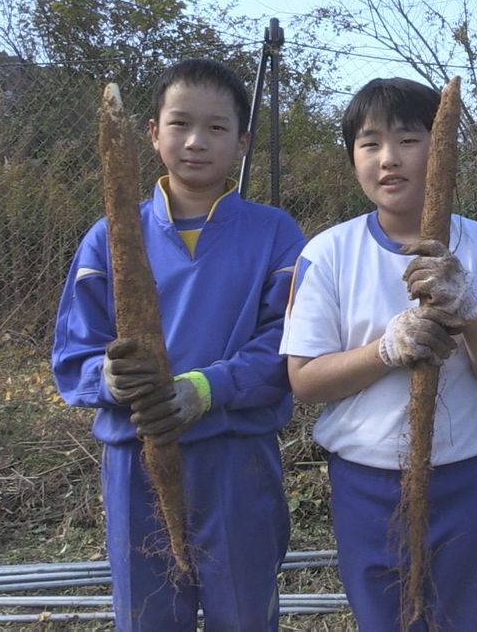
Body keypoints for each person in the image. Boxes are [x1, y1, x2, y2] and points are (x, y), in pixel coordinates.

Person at [52, 58, 306, 630]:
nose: (196, 142)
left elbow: (287, 346)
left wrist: (206, 387)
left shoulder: (275, 234)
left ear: (242, 143)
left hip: (234, 459)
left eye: (216, 128)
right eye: (180, 124)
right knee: (146, 612)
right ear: (152, 132)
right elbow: (75, 353)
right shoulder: (111, 236)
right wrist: (107, 379)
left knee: (242, 609)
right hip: (134, 457)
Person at [279, 77, 477, 631]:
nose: (389, 159)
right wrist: (387, 349)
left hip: (467, 479)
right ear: (353, 159)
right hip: (366, 482)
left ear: (443, 151)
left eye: (409, 139)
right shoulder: (328, 253)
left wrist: (469, 311)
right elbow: (305, 380)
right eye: (370, 143)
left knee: (469, 617)